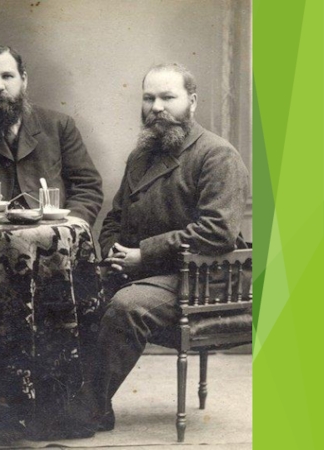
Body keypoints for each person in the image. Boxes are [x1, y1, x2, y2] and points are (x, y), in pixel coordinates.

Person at [36, 63, 250, 440]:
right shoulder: (141, 156)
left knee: (127, 307)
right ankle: (68, 401)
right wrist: (114, 251)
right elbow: (115, 217)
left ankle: (86, 410)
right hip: (146, 272)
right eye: (149, 98)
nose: (157, 108)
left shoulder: (217, 155)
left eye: (168, 97)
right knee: (69, 292)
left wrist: (143, 255)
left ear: (192, 101)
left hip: (201, 279)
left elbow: (217, 232)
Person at [0, 44, 103, 226]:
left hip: (52, 233)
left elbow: (87, 187)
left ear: (24, 80)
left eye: (7, 76)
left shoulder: (59, 125)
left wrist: (70, 227)